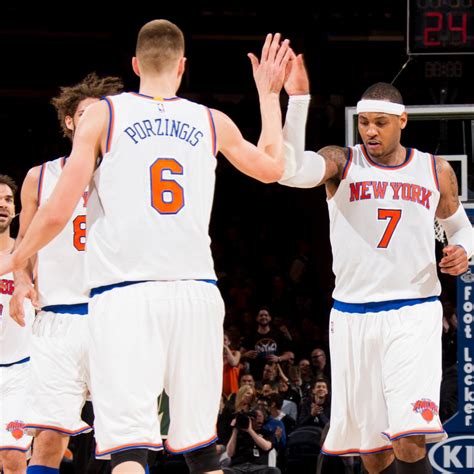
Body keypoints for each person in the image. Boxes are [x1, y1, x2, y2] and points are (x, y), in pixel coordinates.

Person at [0, 21, 291, 474]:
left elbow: (57, 212)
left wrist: (13, 261)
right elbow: (273, 168)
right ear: (182, 66)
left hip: (126, 295)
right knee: (202, 449)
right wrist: (269, 97)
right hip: (196, 294)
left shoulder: (104, 115)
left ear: (135, 65)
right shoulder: (211, 120)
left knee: (130, 449)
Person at [254, 51, 473, 473]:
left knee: (410, 438)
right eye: (365, 122)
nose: (370, 131)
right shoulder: (342, 161)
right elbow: (289, 171)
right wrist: (297, 100)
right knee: (373, 452)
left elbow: (461, 228)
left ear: (402, 121)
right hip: (353, 316)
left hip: (413, 312)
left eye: (381, 123)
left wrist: (464, 250)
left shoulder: (435, 170)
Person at [9, 73, 123, 474]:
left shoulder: (127, 175)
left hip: (115, 314)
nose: (95, 119)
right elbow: (23, 244)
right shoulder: (39, 177)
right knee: (48, 439)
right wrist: (21, 281)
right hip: (58, 317)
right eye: (86, 113)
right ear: (70, 122)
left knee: (126, 442)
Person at [0, 175, 34, 474]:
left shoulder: (29, 255)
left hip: (20, 370)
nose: (3, 205)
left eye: (8, 199)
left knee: (13, 457)